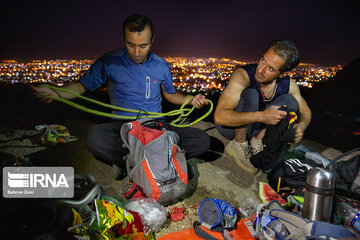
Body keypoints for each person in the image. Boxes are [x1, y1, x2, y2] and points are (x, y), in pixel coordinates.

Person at [31, 14, 210, 178]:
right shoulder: (109, 62)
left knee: (202, 140)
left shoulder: (161, 65)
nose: (137, 52)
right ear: (124, 39)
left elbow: (170, 95)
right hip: (123, 127)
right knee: (94, 137)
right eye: (131, 45)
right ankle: (163, 158)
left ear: (152, 41)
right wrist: (55, 93)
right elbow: (80, 87)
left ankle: (132, 160)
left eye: (143, 46)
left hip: (156, 126)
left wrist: (190, 100)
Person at [214, 40, 311, 173]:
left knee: (290, 101)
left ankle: (257, 141)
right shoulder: (243, 75)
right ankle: (238, 144)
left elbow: (305, 111)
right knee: (251, 94)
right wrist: (262, 116)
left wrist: (302, 125)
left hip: (256, 129)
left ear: (282, 74)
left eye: (270, 68)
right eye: (263, 60)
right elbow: (219, 117)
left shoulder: (288, 84)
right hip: (231, 128)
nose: (261, 69)